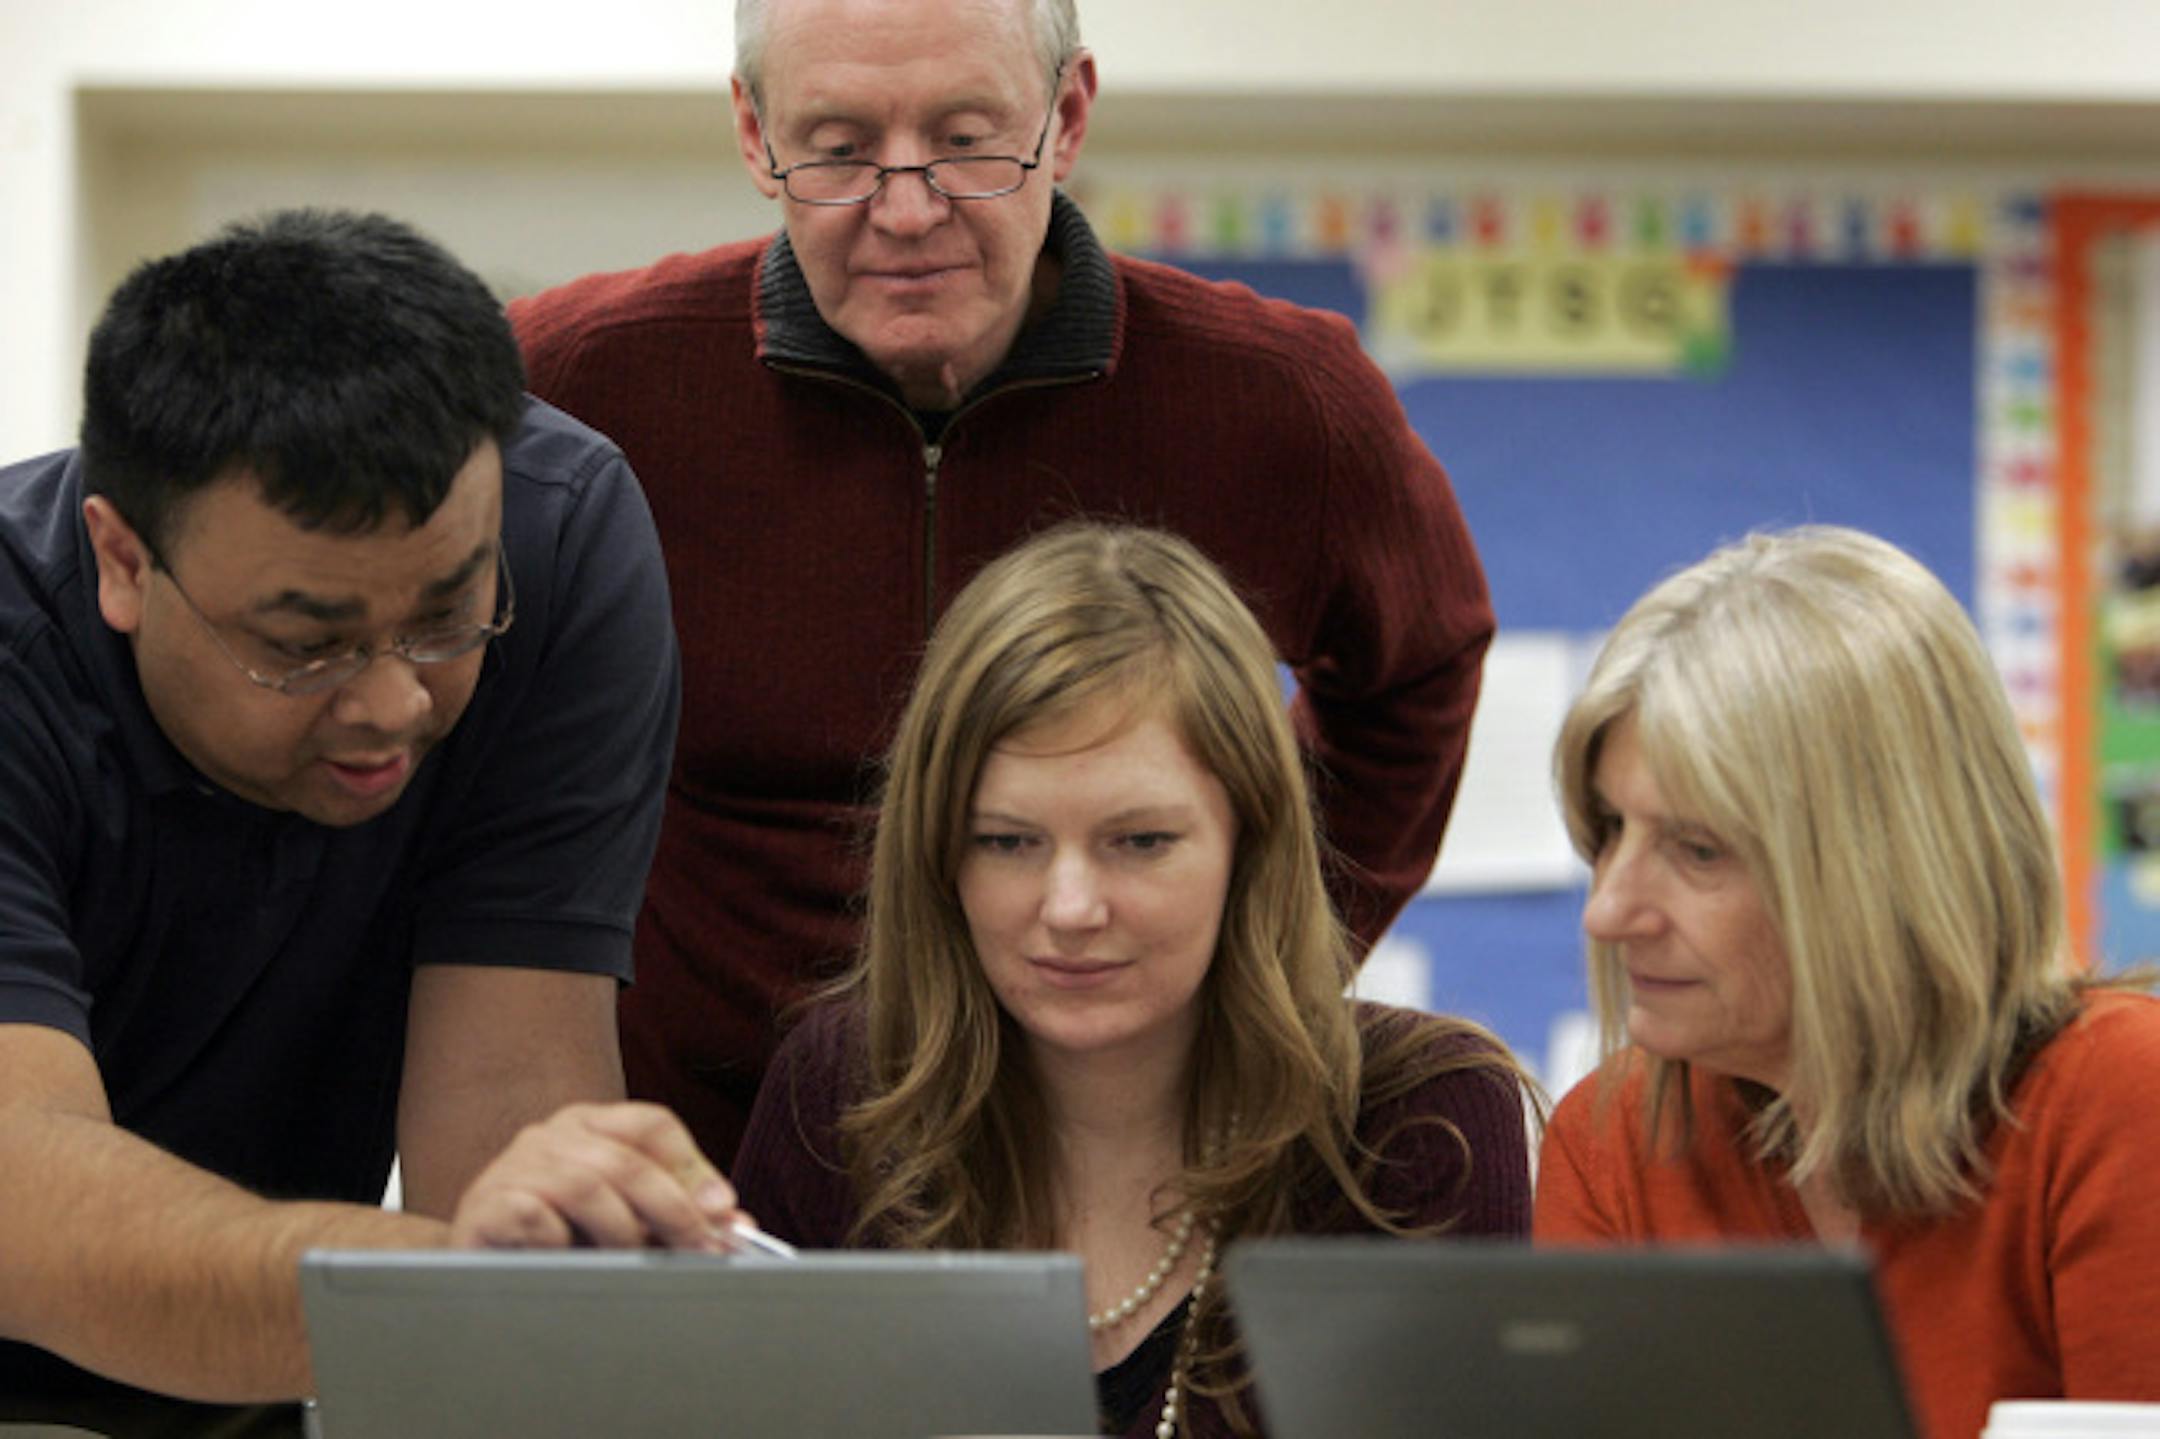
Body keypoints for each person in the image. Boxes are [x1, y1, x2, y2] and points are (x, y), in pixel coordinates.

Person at [508, 0, 1494, 1165]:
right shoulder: (578, 384)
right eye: (838, 149)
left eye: (968, 141)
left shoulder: (1286, 403)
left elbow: (1418, 665)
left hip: (1113, 1158)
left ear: (1067, 115)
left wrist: (1272, 955)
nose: (908, 208)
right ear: (753, 131)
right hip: (699, 1170)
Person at [0, 210, 755, 1421]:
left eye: (448, 614)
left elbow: (505, 1121)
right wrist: (450, 1294)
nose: (396, 700)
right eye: (307, 646)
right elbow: (25, 1210)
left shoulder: (554, 534)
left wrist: (521, 1278)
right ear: (124, 562)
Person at [732, 522, 1533, 1439]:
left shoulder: (1419, 1121)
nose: (1070, 906)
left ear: (1253, 841)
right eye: (1007, 841)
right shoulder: (841, 1087)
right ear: (938, 855)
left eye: (1140, 841)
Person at [1533, 526, 2160, 1439]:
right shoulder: (1613, 1140)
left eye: (1696, 848)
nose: (1610, 908)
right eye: (1610, 829)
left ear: (1885, 867)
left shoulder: (2115, 1099)